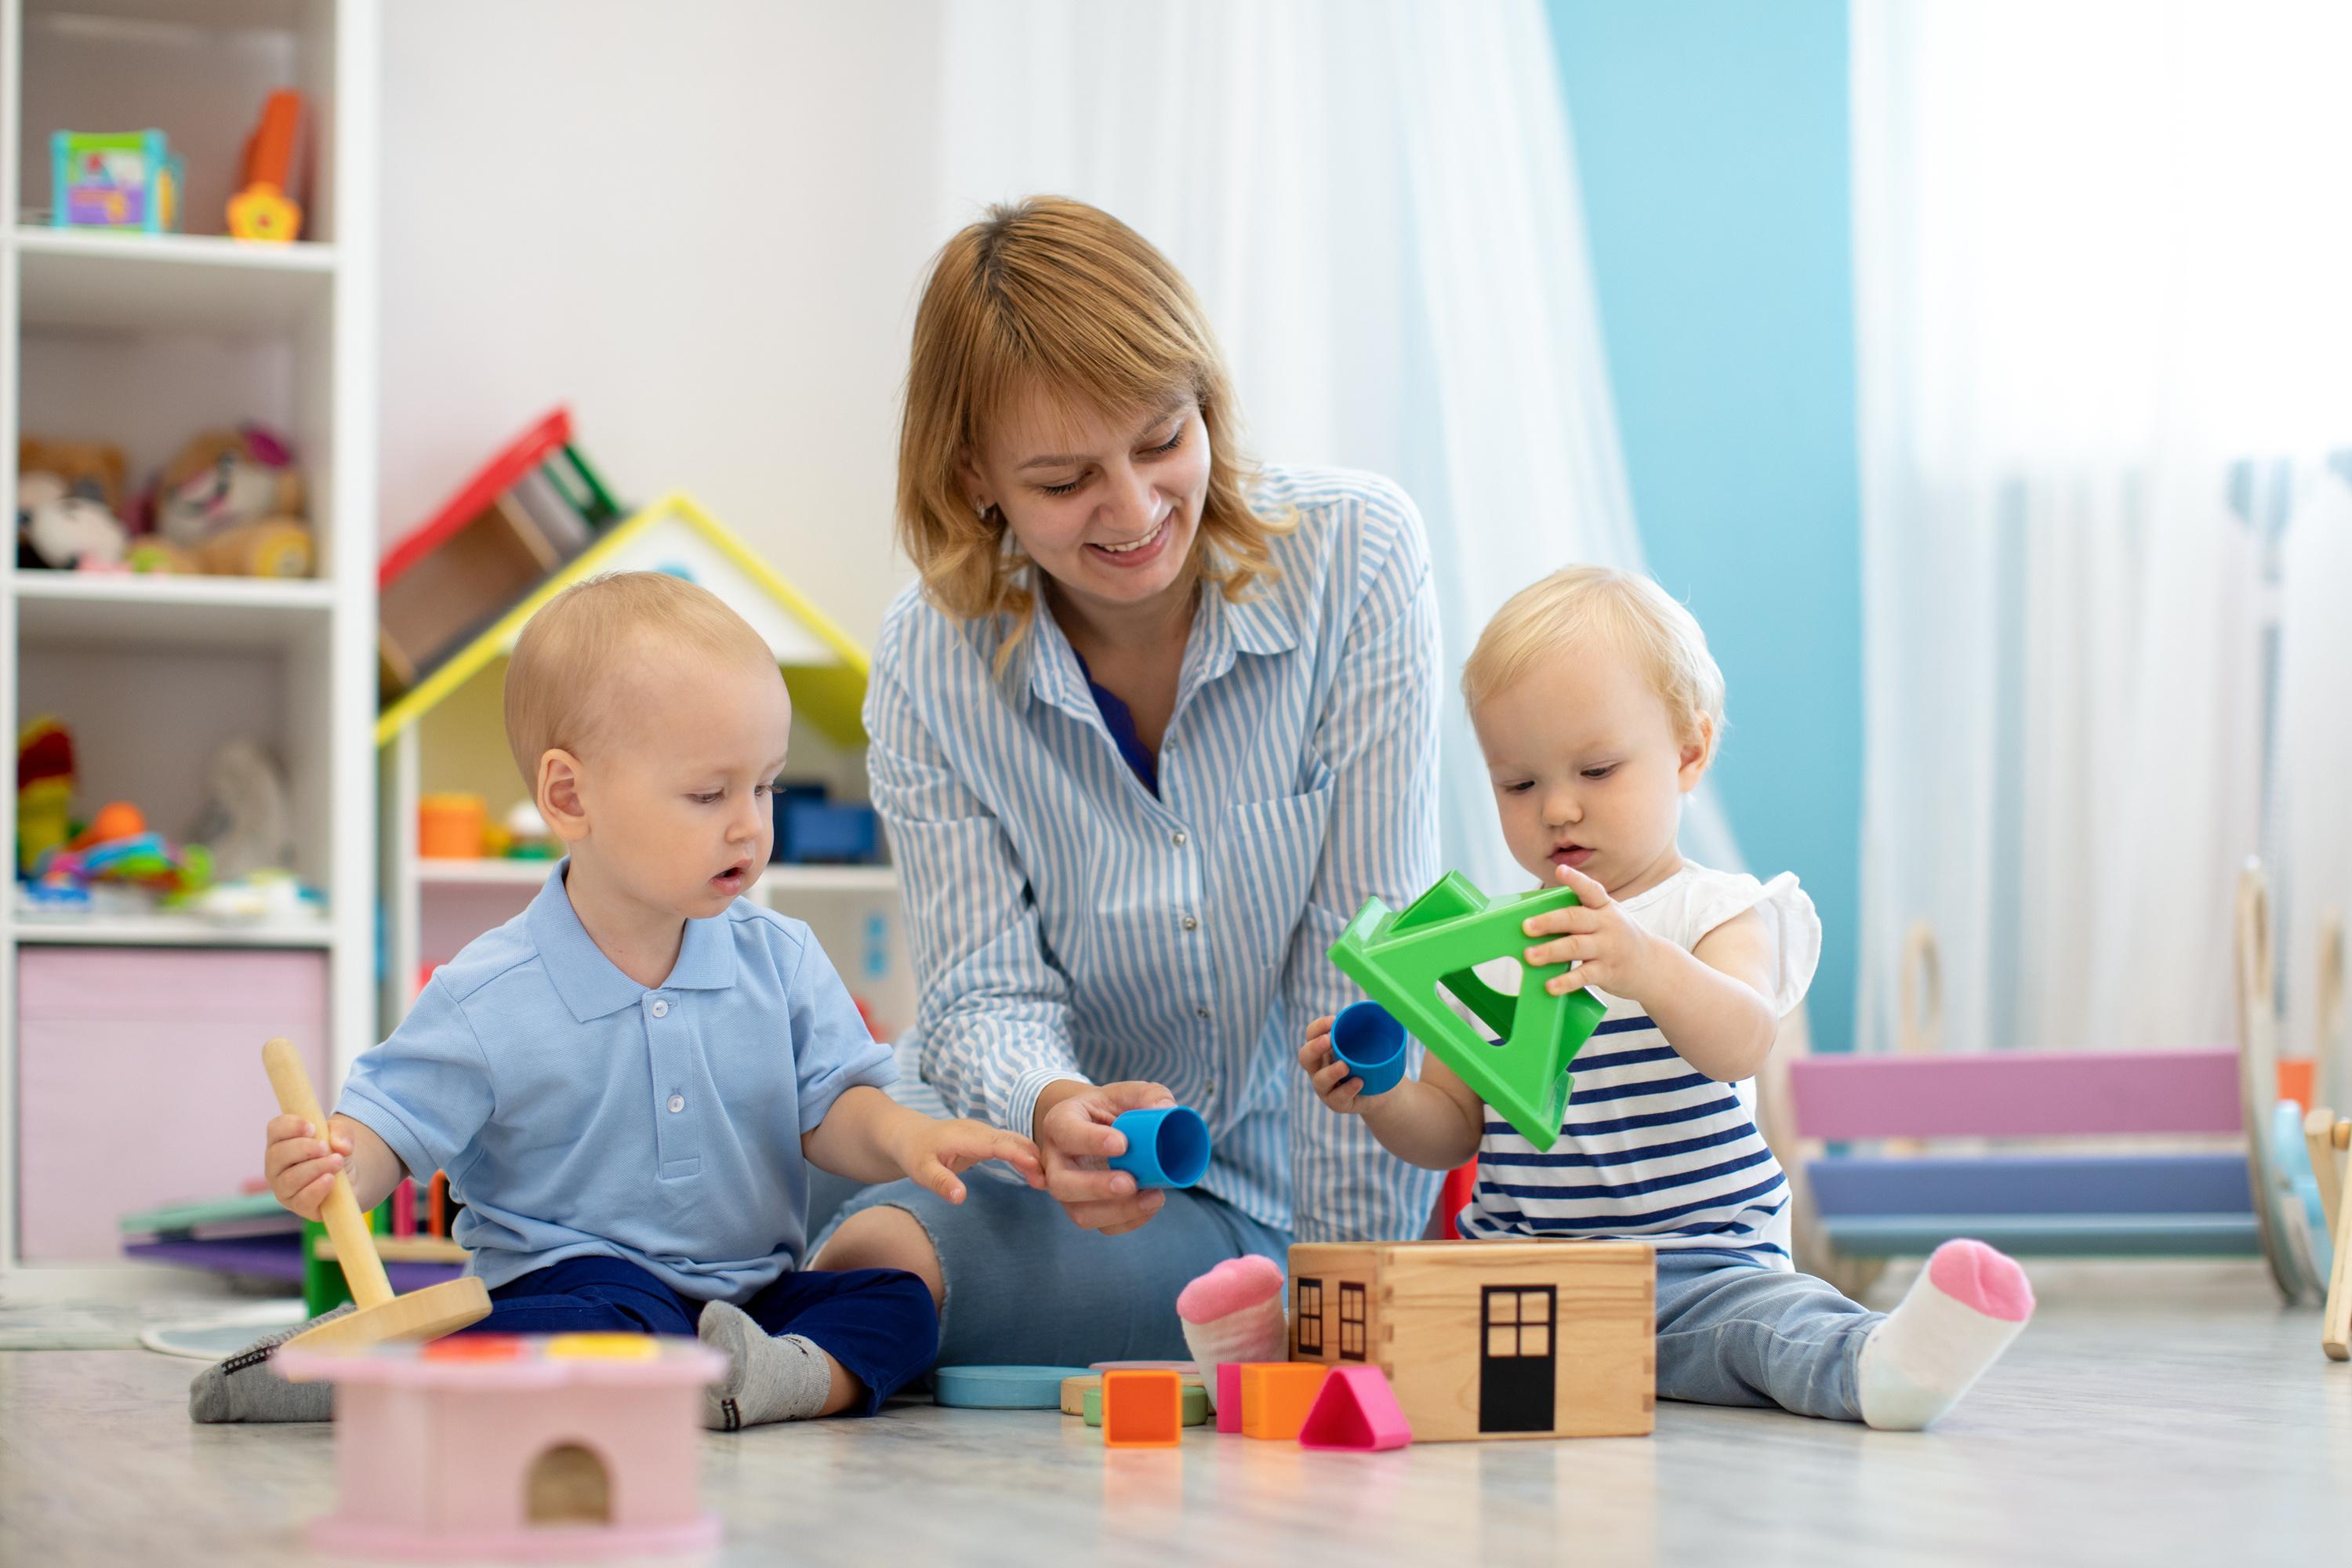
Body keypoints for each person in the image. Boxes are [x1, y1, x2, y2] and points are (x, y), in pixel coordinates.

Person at [811, 197, 1442, 1363]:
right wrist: (1057, 1107)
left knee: (896, 1253)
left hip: (1249, 1207)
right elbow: (981, 989)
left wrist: (1345, 1299)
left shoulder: (1356, 558)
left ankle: (800, 1315)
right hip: (1027, 1158)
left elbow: (1365, 968)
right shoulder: (930, 655)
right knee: (778, 1156)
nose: (1138, 509)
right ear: (976, 477)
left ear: (1205, 401)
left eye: (1161, 441)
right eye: (1064, 481)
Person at [194, 572, 1040, 1428]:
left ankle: (768, 1378)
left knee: (899, 1304)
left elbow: (834, 1109)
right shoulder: (487, 993)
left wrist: (908, 1137)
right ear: (571, 796)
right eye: (709, 794)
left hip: (748, 1295)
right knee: (617, 1321)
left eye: (766, 787)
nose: (750, 825)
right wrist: (337, 1164)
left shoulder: (780, 959)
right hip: (578, 1285)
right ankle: (347, 1369)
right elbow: (390, 1127)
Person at [1299, 564, 2034, 1429]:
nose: (1557, 808)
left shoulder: (1713, 911)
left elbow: (1743, 1039)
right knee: (1393, 1313)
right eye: (1519, 784)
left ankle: (1881, 1364)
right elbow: (1452, 1130)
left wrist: (1646, 965)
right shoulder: (1486, 950)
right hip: (1525, 1272)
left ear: (1689, 751)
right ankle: (1249, 1345)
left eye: (1596, 769)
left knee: (1767, 1328)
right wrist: (1382, 1095)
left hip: (1695, 1266)